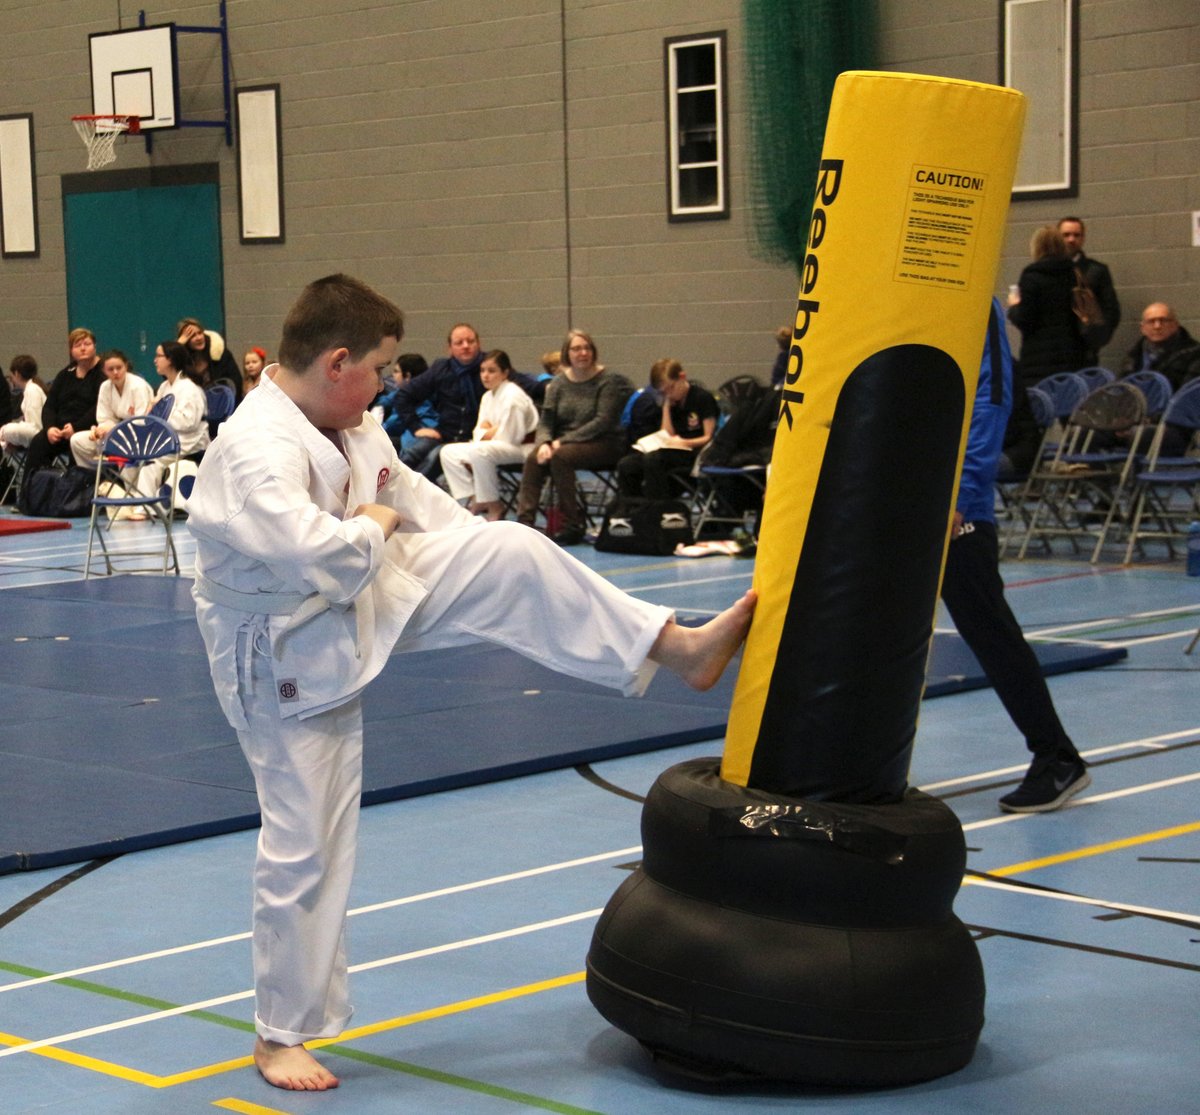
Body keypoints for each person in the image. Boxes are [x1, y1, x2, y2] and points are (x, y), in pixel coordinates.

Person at [185, 273, 756, 1091]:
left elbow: (410, 496)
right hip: (281, 648)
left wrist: (461, 546)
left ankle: (679, 648)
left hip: (353, 590)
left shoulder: (348, 419)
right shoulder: (255, 452)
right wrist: (375, 521)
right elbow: (333, 556)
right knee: (307, 840)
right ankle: (281, 1034)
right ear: (337, 362)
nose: (385, 385)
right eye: (377, 369)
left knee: (511, 551)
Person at [941, 298, 1090, 813]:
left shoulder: (969, 295)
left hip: (954, 509)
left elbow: (992, 397)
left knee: (990, 632)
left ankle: (1057, 757)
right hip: (896, 501)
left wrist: (961, 494)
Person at [515, 329, 631, 545]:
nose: (582, 353)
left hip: (604, 442)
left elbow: (602, 421)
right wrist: (544, 443)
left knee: (561, 456)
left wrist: (560, 442)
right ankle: (524, 523)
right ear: (567, 354)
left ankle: (571, 523)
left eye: (586, 348)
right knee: (534, 458)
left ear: (593, 352)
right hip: (562, 443)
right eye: (576, 349)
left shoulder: (608, 381)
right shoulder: (558, 383)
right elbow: (546, 420)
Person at [439, 348, 538, 520]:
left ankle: (494, 505)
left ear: (505, 373)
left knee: (480, 451)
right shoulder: (487, 397)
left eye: (492, 371)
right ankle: (476, 498)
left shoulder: (513, 396)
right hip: (497, 446)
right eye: (483, 371)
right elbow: (478, 431)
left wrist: (490, 431)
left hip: (523, 448)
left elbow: (511, 437)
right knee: (448, 452)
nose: (485, 376)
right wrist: (492, 430)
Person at [389, 324, 485, 480]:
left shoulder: (490, 367)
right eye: (459, 342)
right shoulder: (441, 369)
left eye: (470, 341)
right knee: (411, 455)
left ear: (479, 344)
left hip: (475, 438)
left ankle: (412, 492)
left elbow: (522, 385)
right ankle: (384, 490)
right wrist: (416, 427)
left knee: (434, 458)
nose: (466, 346)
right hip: (445, 434)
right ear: (450, 349)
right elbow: (403, 396)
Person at [616, 358, 719, 499]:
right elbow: (666, 434)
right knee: (627, 464)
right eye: (663, 392)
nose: (669, 394)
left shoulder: (702, 398)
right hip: (673, 451)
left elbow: (709, 437)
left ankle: (658, 505)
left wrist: (684, 442)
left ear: (682, 377)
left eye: (671, 388)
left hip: (695, 453)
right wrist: (666, 408)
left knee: (653, 459)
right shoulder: (671, 401)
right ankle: (634, 506)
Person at [1006, 225, 1088, 387]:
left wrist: (1014, 306)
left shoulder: (1032, 276)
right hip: (1071, 353)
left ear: (1036, 247)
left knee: (1041, 399)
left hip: (1038, 359)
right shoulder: (1074, 274)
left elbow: (1025, 319)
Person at [21, 328, 104, 477]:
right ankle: (32, 488)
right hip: (60, 430)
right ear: (71, 350)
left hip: (87, 429)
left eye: (87, 344)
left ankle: (75, 488)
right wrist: (50, 428)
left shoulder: (103, 372)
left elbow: (100, 407)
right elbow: (50, 406)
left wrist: (76, 427)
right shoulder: (65, 374)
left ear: (95, 346)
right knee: (39, 442)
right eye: (77, 345)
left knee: (76, 443)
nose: (83, 348)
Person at [69, 350, 154, 467]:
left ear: (126, 366)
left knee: (124, 452)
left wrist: (113, 428)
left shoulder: (138, 386)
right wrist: (101, 430)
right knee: (77, 440)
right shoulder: (105, 387)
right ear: (104, 371)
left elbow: (141, 422)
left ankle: (122, 476)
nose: (115, 372)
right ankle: (94, 475)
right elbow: (104, 418)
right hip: (115, 435)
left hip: (138, 437)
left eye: (119, 368)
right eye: (110, 369)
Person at [1057, 216, 1120, 363]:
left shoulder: (1097, 271)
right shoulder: (1045, 271)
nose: (1071, 239)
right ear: (1056, 238)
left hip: (1084, 351)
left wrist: (1096, 338)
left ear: (1083, 238)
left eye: (1076, 235)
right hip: (1052, 350)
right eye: (1066, 235)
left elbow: (1111, 310)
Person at [1121, 302, 1200, 389]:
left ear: (1175, 325)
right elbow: (1121, 387)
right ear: (1142, 328)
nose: (1157, 326)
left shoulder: (1194, 354)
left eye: (1163, 320)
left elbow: (1189, 392)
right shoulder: (1133, 355)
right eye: (1151, 321)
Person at [177, 317, 243, 402]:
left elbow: (236, 382)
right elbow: (169, 375)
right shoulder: (182, 359)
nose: (198, 338)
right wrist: (178, 346)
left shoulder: (220, 352)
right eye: (192, 336)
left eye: (200, 333)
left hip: (223, 403)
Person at [0, 355, 47, 452]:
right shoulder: (31, 389)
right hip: (37, 434)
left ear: (16, 374)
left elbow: (35, 429)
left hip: (39, 437)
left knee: (6, 429)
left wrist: (5, 430)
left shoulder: (32, 390)